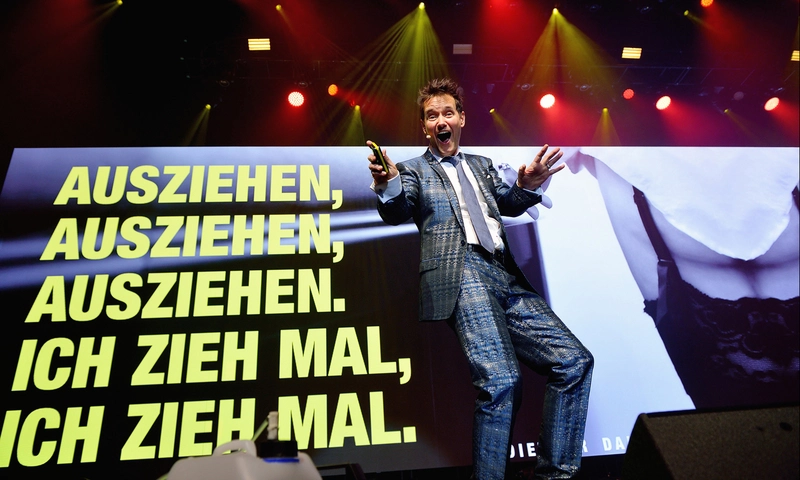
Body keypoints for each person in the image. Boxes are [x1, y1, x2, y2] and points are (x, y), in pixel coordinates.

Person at [366, 78, 593, 480]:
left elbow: (506, 205)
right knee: (501, 381)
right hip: (462, 271)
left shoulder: (482, 164)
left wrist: (527, 185)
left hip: (505, 274)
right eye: (432, 116)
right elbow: (399, 209)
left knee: (574, 362)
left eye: (447, 113)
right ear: (425, 128)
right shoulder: (413, 170)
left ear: (461, 119)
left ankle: (556, 476)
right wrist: (388, 184)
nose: (441, 120)